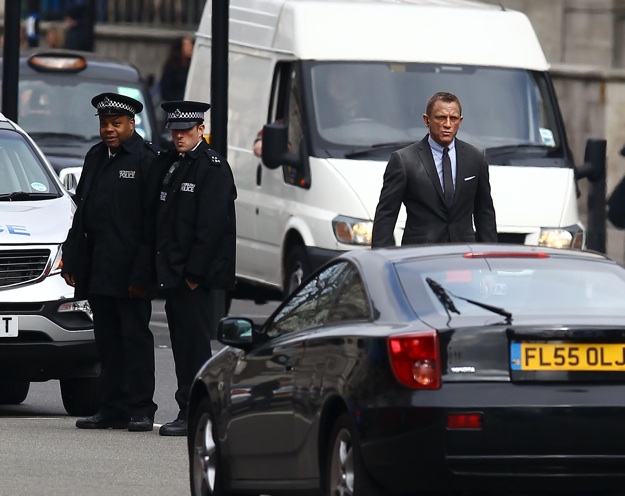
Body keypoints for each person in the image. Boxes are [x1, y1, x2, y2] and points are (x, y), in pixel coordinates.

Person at [61, 92, 160, 432]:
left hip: (130, 270)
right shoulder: (94, 156)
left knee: (135, 340)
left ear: (131, 124)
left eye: (116, 123)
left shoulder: (146, 159)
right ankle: (112, 407)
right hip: (99, 267)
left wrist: (143, 273)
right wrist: (72, 259)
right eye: (104, 124)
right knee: (107, 341)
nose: (109, 130)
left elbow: (151, 223)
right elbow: (82, 213)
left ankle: (141, 408)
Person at [156, 100, 237, 436]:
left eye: (186, 130)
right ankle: (187, 408)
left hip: (193, 277)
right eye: (175, 130)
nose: (179, 136)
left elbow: (212, 228)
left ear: (201, 129)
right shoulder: (175, 164)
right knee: (182, 345)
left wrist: (194, 275)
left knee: (195, 347)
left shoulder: (211, 167)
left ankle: (196, 412)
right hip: (175, 272)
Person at [372, 91, 497, 247]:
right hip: (420, 252)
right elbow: (386, 215)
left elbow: (484, 212)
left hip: (463, 252)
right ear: (427, 120)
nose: (447, 124)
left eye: (453, 118)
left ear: (460, 121)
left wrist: (490, 255)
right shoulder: (404, 160)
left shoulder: (475, 157)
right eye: (441, 117)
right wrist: (382, 257)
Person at [159, 36, 194, 102]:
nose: (190, 48)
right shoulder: (171, 67)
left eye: (190, 44)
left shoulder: (192, 66)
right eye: (187, 45)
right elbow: (165, 90)